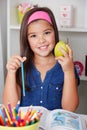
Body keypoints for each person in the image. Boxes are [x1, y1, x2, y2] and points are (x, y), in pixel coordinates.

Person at [3, 7, 80, 111]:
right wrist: (11, 73)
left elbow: (70, 108)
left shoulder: (67, 66)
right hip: (28, 126)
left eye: (47, 33)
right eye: (33, 35)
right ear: (27, 39)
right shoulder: (21, 67)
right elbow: (10, 108)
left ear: (55, 32)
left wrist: (69, 71)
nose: (41, 40)